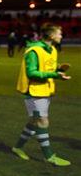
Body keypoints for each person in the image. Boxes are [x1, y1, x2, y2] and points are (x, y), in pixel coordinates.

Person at [12, 23, 71, 166]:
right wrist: (54, 75)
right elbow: (32, 73)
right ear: (51, 35)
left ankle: (17, 147)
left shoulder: (53, 50)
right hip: (33, 91)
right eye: (59, 33)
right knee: (42, 121)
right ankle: (49, 156)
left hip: (45, 90)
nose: (61, 36)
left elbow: (47, 67)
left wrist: (58, 69)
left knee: (34, 121)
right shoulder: (34, 51)